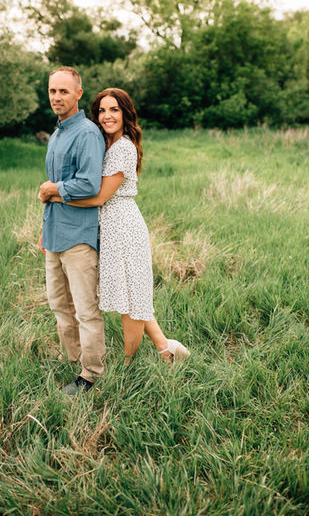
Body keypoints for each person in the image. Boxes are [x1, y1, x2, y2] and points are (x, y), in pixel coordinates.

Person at [49, 88, 190, 364]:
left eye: (114, 110)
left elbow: (99, 197)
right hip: (108, 228)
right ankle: (165, 349)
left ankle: (128, 365)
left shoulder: (124, 148)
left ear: (125, 113)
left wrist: (56, 194)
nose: (107, 116)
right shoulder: (105, 143)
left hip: (124, 227)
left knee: (131, 299)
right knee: (131, 294)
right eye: (102, 110)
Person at [38, 66, 106, 397]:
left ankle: (91, 374)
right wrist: (44, 230)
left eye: (63, 91)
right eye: (53, 91)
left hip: (79, 237)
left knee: (85, 310)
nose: (57, 97)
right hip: (54, 234)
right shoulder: (57, 134)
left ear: (78, 93)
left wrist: (53, 189)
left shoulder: (88, 133)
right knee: (59, 305)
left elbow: (90, 184)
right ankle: (73, 359)